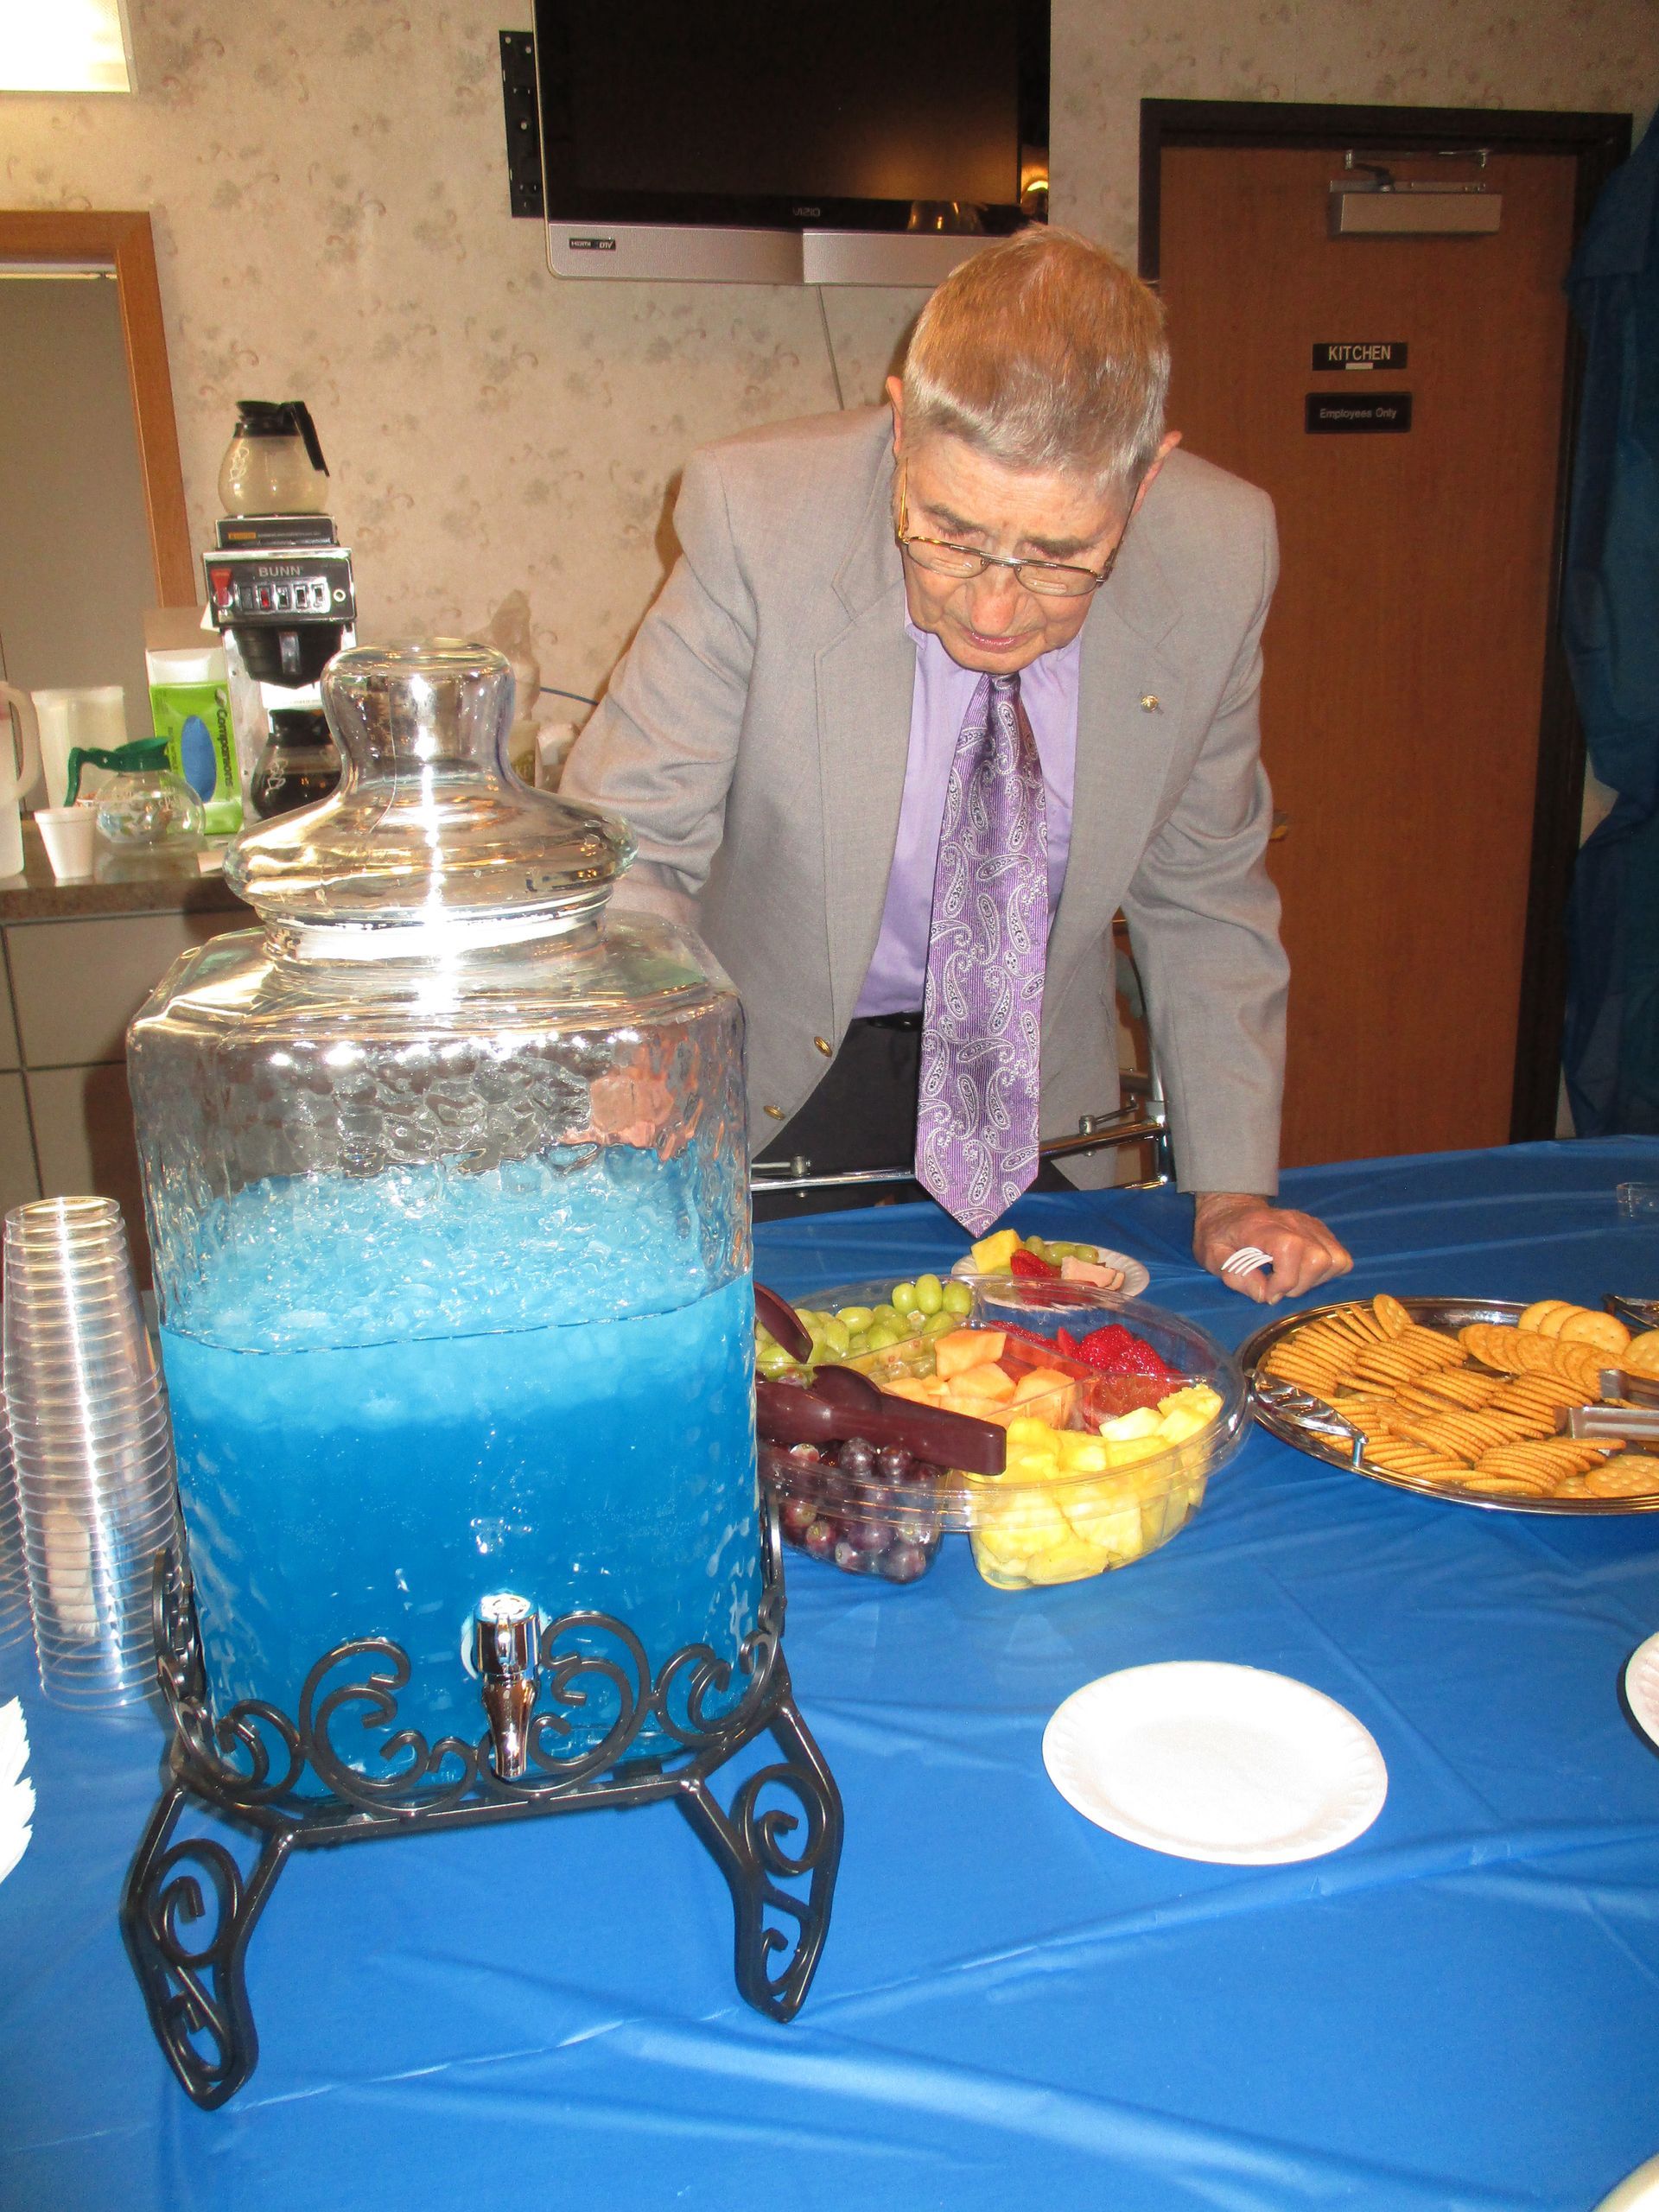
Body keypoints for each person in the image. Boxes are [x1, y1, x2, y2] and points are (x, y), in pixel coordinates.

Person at [562, 228, 1351, 1303]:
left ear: (1147, 478)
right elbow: (633, 840)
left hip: (1032, 1093)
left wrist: (1233, 1189)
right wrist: (641, 1036)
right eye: (947, 531)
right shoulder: (759, 517)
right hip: (772, 1078)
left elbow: (1205, 892)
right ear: (900, 426)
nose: (990, 608)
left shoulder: (1224, 551)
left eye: (1061, 558)